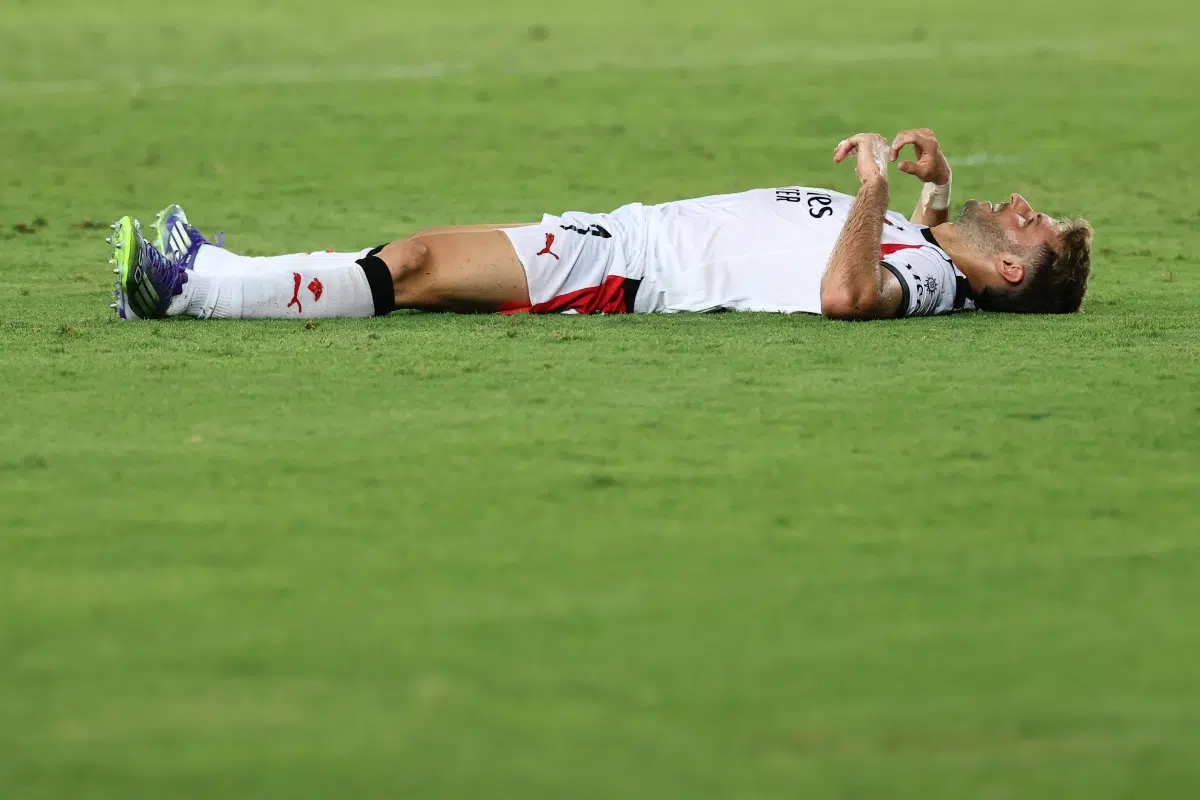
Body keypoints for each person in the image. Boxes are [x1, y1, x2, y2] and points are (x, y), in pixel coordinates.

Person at [107, 129, 1092, 322]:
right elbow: (913, 254)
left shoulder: (926, 281)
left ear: (1010, 273)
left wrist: (874, 181)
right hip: (622, 238)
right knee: (413, 261)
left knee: (412, 264)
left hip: (633, 273)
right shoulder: (935, 256)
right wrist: (934, 189)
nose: (1019, 206)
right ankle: (231, 279)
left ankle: (193, 289)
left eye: (1030, 223)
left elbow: (848, 292)